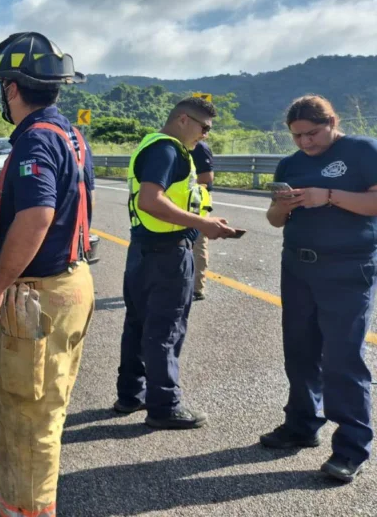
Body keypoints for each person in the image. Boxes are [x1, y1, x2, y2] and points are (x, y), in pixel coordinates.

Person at [0, 32, 95, 517]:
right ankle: (12, 485)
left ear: (12, 89)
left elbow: (37, 216)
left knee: (29, 408)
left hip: (37, 294)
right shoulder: (69, 135)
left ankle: (26, 509)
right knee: (31, 399)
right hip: (69, 282)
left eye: (3, 84)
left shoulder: (37, 141)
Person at [261, 95, 377, 483]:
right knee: (299, 350)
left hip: (347, 268)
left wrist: (327, 196)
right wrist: (283, 205)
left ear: (332, 121)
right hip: (297, 266)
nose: (305, 143)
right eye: (296, 136)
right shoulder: (290, 164)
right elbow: (275, 220)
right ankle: (301, 424)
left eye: (312, 133)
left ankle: (351, 448)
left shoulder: (362, 150)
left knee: (343, 359)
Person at [114, 96, 237, 430]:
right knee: (165, 329)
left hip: (143, 247)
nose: (206, 135)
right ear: (184, 119)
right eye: (204, 128)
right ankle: (164, 405)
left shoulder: (151, 145)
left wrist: (203, 219)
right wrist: (201, 224)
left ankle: (131, 394)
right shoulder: (168, 150)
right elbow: (151, 200)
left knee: (138, 324)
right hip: (166, 253)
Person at [190, 140, 214, 301]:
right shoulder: (177, 145)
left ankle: (197, 288)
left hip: (197, 204)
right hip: (180, 202)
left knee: (198, 243)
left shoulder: (199, 147)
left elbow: (207, 177)